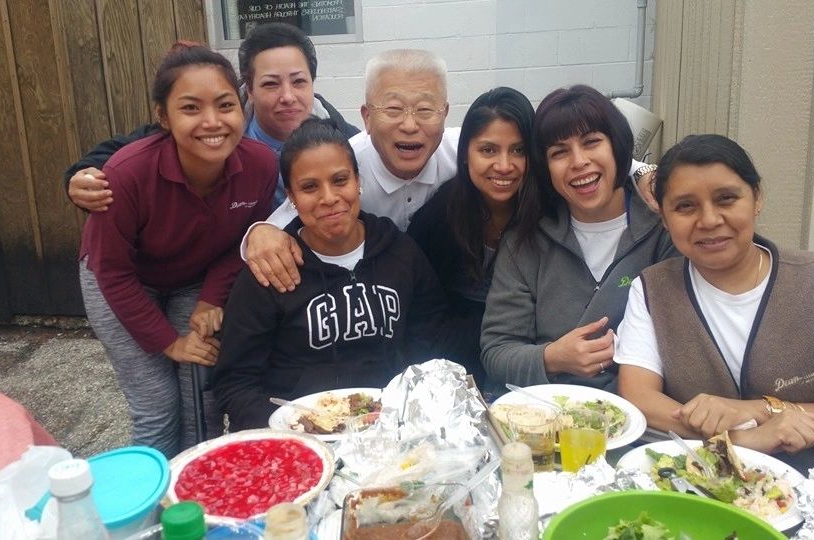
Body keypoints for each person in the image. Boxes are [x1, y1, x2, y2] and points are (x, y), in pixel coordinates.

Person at [243, 50, 658, 293]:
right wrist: (259, 234)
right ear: (366, 116)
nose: (410, 124)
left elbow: (553, 148)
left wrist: (641, 173)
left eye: (425, 109)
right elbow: (279, 224)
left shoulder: (471, 149)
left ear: (444, 114)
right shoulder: (344, 169)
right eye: (393, 108)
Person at [615, 134, 814, 476]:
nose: (710, 219)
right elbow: (639, 398)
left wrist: (760, 410)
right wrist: (744, 439)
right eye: (685, 206)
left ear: (756, 198)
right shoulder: (654, 288)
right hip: (709, 489)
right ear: (665, 219)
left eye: (726, 198)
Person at [79, 43, 277, 457]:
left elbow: (239, 242)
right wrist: (169, 341)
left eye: (225, 105)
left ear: (242, 106)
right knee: (157, 404)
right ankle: (152, 509)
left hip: (193, 277)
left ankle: (195, 495)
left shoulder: (260, 164)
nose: (212, 122)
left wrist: (209, 300)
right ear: (162, 117)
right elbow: (111, 272)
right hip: (121, 280)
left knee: (201, 392)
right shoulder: (126, 173)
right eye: (190, 108)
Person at [212, 118, 449, 429]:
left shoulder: (400, 253)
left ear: (357, 181)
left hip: (391, 432)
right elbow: (236, 382)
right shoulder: (271, 270)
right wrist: (285, 429)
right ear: (292, 197)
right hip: (299, 438)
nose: (329, 197)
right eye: (310, 187)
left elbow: (432, 345)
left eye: (340, 180)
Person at [480, 85, 677, 393]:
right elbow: (497, 350)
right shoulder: (526, 243)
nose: (579, 161)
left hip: (640, 419)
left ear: (617, 146)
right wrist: (552, 358)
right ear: (545, 168)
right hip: (544, 420)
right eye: (559, 152)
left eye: (592, 142)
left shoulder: (664, 232)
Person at [64, 23, 358, 212]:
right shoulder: (221, 127)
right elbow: (129, 149)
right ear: (250, 89)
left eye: (299, 81)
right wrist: (81, 175)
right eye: (270, 84)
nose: (288, 96)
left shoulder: (344, 138)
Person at [407, 87, 535, 388]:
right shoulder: (438, 217)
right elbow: (420, 319)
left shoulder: (549, 217)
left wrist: (642, 172)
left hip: (529, 373)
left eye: (518, 150)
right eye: (488, 150)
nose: (504, 165)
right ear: (465, 154)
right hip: (452, 377)